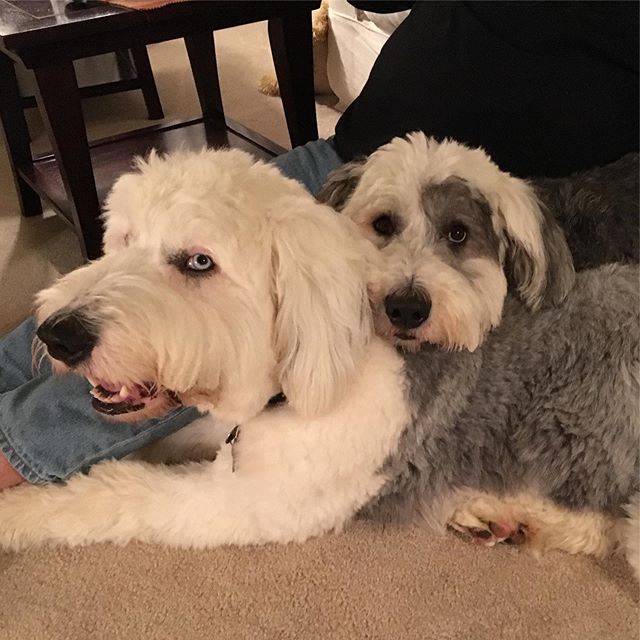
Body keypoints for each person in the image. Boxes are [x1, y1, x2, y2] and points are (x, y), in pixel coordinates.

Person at [0, 1, 637, 490]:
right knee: (113, 286)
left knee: (193, 327)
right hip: (350, 163)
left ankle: (17, 453)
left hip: (508, 211)